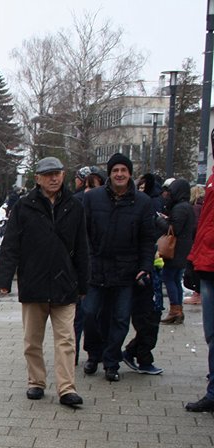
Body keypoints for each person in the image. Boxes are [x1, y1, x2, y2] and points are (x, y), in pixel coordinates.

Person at [0, 157, 88, 407]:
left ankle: (66, 388)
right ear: (38, 178)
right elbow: (11, 244)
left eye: (57, 173)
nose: (53, 178)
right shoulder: (24, 206)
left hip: (65, 283)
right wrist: (4, 278)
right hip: (33, 281)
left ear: (64, 175)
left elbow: (83, 247)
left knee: (66, 340)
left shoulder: (75, 206)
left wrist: (84, 284)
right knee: (32, 340)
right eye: (48, 175)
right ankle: (36, 382)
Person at [81, 153, 156, 382]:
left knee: (121, 318)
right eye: (115, 170)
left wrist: (145, 266)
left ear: (130, 174)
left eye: (123, 170)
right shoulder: (92, 198)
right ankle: (94, 354)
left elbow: (147, 239)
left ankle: (112, 361)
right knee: (89, 314)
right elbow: (82, 233)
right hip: (96, 267)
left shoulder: (143, 202)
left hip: (126, 270)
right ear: (110, 174)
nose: (119, 174)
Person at [185, 131, 214, 412]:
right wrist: (194, 259)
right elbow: (205, 224)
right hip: (207, 264)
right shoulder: (212, 179)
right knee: (211, 334)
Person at [158, 179, 196, 325]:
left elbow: (174, 229)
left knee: (169, 277)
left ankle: (175, 309)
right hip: (183, 249)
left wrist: (159, 220)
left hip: (175, 249)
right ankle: (178, 309)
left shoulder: (180, 208)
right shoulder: (187, 207)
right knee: (175, 278)